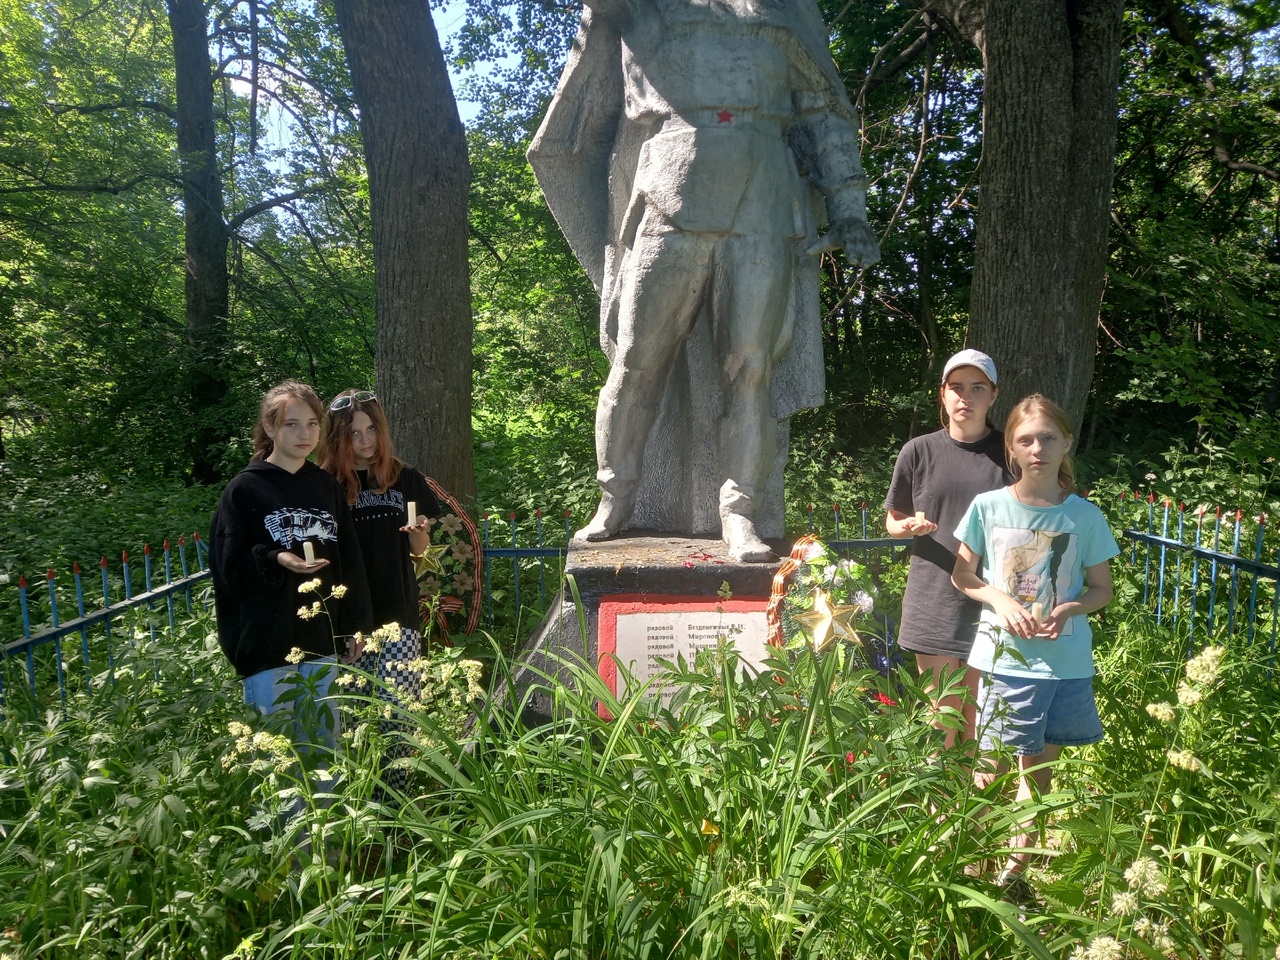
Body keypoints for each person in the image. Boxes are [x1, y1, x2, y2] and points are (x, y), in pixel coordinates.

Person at [528, 0, 880, 562]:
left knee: (750, 367)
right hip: (669, 176)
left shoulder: (788, 11)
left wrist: (850, 208)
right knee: (635, 358)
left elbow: (825, 110)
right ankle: (615, 498)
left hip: (763, 190)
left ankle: (739, 515)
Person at [951, 394, 1119, 881]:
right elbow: (962, 575)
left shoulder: (1084, 516)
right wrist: (1000, 601)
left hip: (1064, 665)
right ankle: (970, 866)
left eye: (1048, 438)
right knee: (989, 768)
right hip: (1004, 660)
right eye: (1025, 439)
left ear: (1067, 442)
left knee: (1037, 775)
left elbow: (1102, 590)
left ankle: (1015, 873)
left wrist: (1071, 607)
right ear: (1011, 448)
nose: (1037, 448)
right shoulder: (988, 506)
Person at [209, 380, 372, 751]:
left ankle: (325, 811)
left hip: (320, 637)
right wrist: (275, 558)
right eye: (291, 424)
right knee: (277, 754)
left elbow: (349, 561)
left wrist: (355, 624)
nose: (305, 434)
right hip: (269, 640)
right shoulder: (245, 489)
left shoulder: (326, 487)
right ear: (269, 427)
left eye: (313, 424)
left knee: (323, 745)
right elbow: (227, 567)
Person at [884, 349, 1009, 749]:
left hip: (994, 599)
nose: (965, 397)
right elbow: (892, 520)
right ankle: (940, 806)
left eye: (977, 388)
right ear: (942, 394)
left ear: (993, 395)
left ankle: (979, 806)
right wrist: (905, 526)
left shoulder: (1011, 453)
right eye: (956, 388)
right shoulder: (918, 451)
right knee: (941, 714)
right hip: (933, 595)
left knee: (980, 717)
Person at [319, 389, 440, 796]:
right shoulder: (326, 486)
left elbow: (417, 551)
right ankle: (362, 816)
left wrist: (420, 534)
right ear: (338, 437)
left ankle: (397, 815)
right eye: (354, 433)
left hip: (398, 615)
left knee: (399, 718)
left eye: (371, 429)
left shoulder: (405, 478)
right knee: (354, 721)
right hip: (349, 621)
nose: (365, 441)